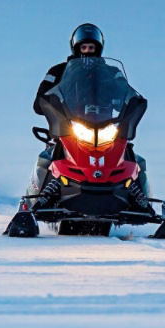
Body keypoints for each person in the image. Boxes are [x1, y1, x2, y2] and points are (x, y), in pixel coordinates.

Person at [26, 23, 151, 210]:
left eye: (91, 48)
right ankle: (38, 200)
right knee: (50, 155)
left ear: (98, 49)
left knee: (131, 157)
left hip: (106, 125)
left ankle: (143, 204)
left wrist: (131, 102)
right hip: (69, 125)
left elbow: (125, 94)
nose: (87, 52)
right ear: (76, 48)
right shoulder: (58, 71)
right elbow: (40, 101)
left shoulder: (111, 73)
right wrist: (49, 103)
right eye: (83, 48)